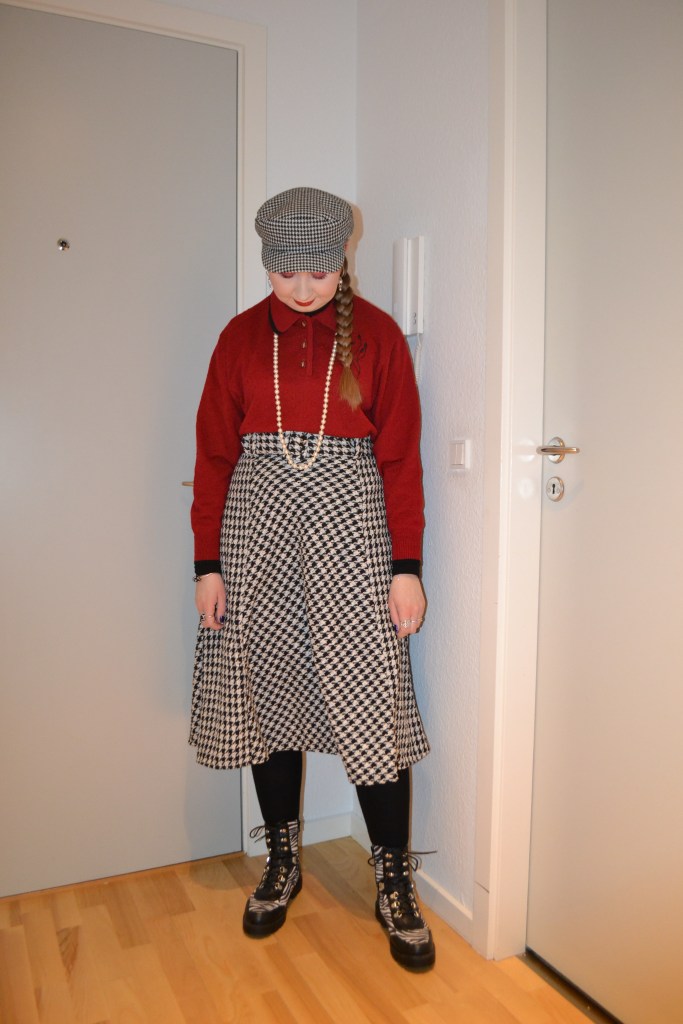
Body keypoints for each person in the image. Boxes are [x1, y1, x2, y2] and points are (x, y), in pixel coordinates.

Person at [190, 186, 434, 970]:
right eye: (285, 272)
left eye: (318, 272)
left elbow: (401, 459)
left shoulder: (378, 336)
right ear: (266, 263)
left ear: (342, 261)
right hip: (254, 536)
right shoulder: (237, 339)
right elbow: (213, 457)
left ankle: (392, 876)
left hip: (353, 533)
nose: (301, 289)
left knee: (370, 698)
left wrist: (405, 568)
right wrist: (206, 565)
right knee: (268, 694)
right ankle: (283, 859)